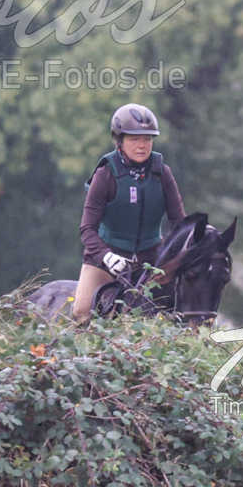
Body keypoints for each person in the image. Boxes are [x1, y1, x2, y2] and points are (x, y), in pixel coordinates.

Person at [72, 103, 188, 322]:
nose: (142, 145)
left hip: (151, 261)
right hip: (106, 260)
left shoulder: (162, 172)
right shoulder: (105, 174)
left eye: (147, 139)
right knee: (82, 311)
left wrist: (177, 253)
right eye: (134, 139)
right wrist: (106, 256)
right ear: (120, 141)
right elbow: (87, 229)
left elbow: (179, 222)